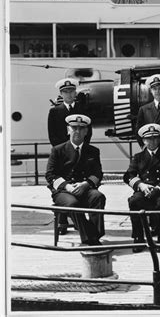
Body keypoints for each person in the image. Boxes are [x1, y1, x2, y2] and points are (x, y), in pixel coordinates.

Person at [45, 114, 105, 246]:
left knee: (98, 197)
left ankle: (95, 235)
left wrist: (85, 184)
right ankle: (91, 238)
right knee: (72, 204)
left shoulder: (93, 151)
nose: (77, 131)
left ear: (86, 131)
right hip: (63, 191)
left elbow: (98, 173)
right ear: (68, 130)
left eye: (81, 128)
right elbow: (50, 175)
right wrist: (67, 187)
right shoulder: (58, 150)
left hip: (85, 188)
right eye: (74, 128)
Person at [47, 78, 92, 234]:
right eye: (66, 92)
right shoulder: (55, 111)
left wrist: (80, 149)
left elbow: (88, 132)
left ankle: (83, 222)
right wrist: (64, 150)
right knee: (61, 182)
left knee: (80, 182)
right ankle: (63, 219)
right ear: (61, 93)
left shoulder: (83, 109)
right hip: (62, 156)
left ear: (75, 92)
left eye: (72, 91)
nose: (69, 94)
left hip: (80, 154)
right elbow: (52, 135)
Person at [124, 123, 160, 252]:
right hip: (145, 190)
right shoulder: (138, 157)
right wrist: (140, 185)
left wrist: (159, 188)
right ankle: (139, 238)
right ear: (143, 140)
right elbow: (128, 175)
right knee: (134, 201)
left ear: (159, 139)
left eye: (154, 138)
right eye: (148, 139)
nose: (151, 142)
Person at [135, 74, 160, 148]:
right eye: (154, 89)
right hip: (151, 148)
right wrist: (143, 146)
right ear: (150, 91)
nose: (157, 91)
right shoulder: (144, 109)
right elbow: (138, 130)